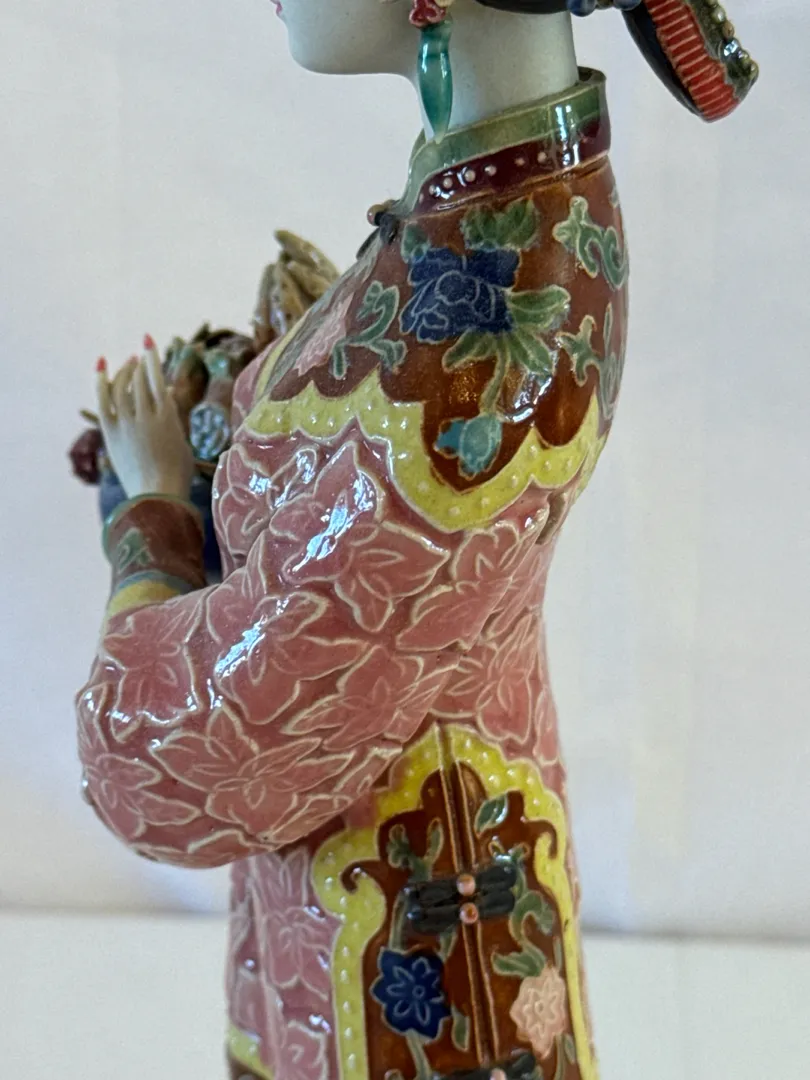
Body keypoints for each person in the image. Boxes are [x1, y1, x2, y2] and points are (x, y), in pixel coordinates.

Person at [75, 3, 756, 1079]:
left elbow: (188, 757)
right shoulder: (492, 215)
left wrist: (150, 519)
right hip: (378, 909)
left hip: (413, 978)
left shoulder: (476, 356)